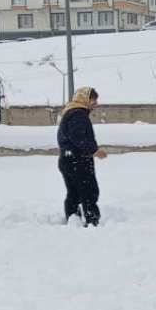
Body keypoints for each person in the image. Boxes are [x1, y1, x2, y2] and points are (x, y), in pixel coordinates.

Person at [57, 87, 107, 227]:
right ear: (84, 99)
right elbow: (77, 137)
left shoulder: (71, 112)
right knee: (88, 191)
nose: (95, 103)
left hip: (68, 159)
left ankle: (73, 219)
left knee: (74, 192)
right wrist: (94, 150)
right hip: (77, 160)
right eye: (93, 99)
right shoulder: (78, 114)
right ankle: (92, 220)